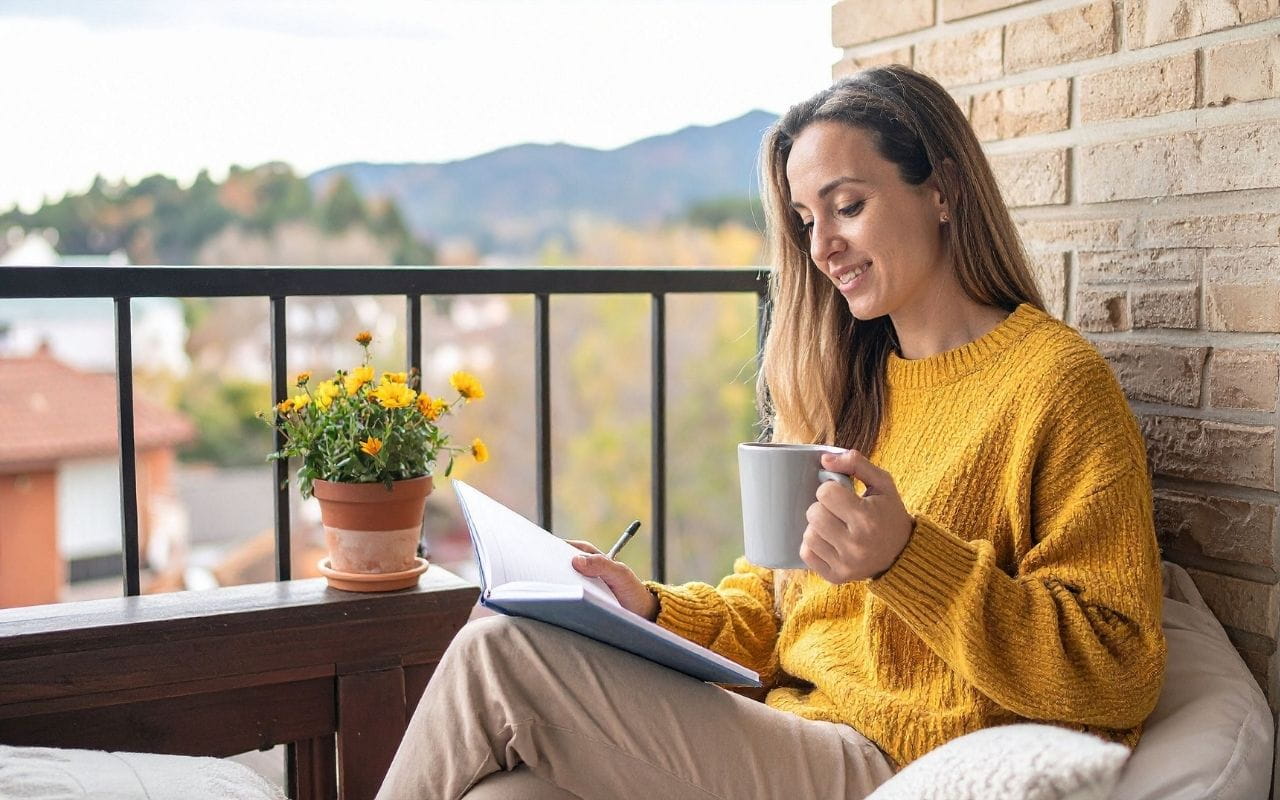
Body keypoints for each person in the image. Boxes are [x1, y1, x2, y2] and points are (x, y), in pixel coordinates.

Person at [376, 64, 1167, 800]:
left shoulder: (1053, 384)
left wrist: (908, 560)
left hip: (889, 760)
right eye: (804, 219)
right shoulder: (852, 385)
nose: (821, 247)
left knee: (496, 657)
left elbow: (1119, 669)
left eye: (847, 206)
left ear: (943, 190)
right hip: (790, 724)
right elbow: (773, 606)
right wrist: (645, 609)